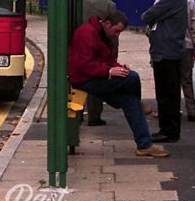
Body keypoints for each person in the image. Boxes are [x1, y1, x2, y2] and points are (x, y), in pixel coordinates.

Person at [69, 11, 169, 158]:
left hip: (94, 77)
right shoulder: (87, 34)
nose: (117, 35)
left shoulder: (101, 34)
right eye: (116, 31)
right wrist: (110, 71)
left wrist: (118, 67)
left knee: (131, 101)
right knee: (132, 78)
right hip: (84, 80)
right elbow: (83, 64)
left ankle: (144, 145)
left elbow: (107, 59)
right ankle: (143, 133)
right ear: (107, 24)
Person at [141, 0, 188, 143]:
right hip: (167, 49)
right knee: (168, 92)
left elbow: (147, 15)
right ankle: (168, 128)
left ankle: (168, 130)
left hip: (166, 51)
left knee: (167, 93)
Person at [81, 0, 117, 126]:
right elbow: (113, 32)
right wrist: (113, 54)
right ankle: (94, 117)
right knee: (96, 80)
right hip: (98, 48)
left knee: (77, 79)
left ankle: (76, 114)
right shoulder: (110, 5)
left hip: (77, 46)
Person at [180, 0, 195, 122]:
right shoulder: (189, 0)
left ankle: (171, 110)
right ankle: (192, 110)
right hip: (187, 46)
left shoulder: (161, 0)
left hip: (168, 47)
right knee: (186, 79)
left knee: (170, 81)